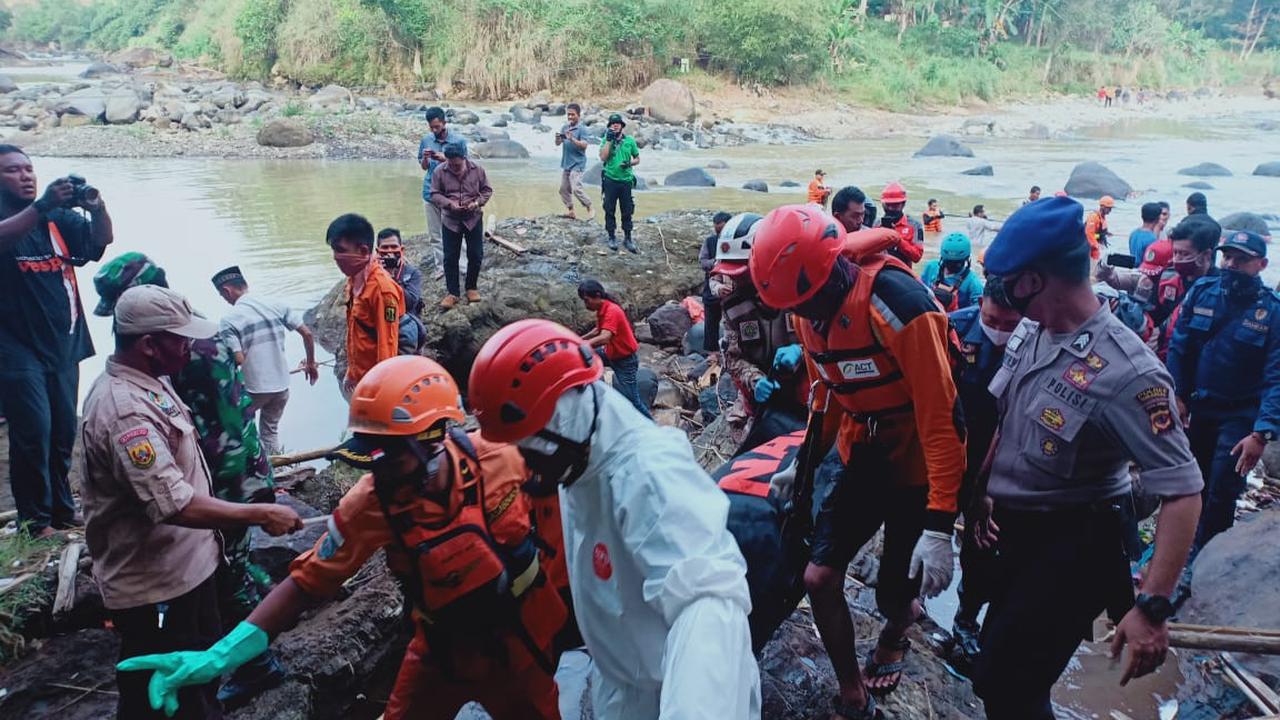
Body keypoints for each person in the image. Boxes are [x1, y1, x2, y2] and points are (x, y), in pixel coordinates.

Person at [117, 356, 568, 720]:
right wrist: (220, 656)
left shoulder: (504, 460)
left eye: (392, 458)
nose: (380, 471)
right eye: (372, 458)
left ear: (434, 440)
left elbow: (558, 529)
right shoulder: (372, 502)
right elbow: (305, 584)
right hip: (441, 652)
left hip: (520, 646)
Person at [970, 196, 1203, 720]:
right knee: (997, 674)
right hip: (1015, 531)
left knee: (1008, 686)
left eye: (1008, 280)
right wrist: (979, 492)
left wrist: (1152, 606)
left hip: (1075, 545)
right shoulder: (1031, 328)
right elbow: (1008, 418)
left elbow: (1184, 490)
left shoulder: (1128, 373)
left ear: (1033, 280)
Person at [467, 319, 761, 719]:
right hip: (623, 680)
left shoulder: (649, 475)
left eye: (529, 452)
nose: (525, 467)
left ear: (561, 420)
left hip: (677, 692)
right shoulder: (578, 459)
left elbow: (708, 603)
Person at [749, 204, 965, 719]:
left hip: (917, 461)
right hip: (861, 451)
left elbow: (942, 421)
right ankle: (852, 690)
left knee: (894, 595)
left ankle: (896, 630)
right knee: (818, 578)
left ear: (831, 272)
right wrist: (802, 465)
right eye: (795, 307)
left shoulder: (901, 307)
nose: (804, 315)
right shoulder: (806, 312)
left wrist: (940, 525)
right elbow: (826, 391)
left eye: (808, 302)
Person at [81, 285, 302, 720]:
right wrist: (259, 513)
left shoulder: (153, 384)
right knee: (165, 696)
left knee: (198, 681)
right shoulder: (125, 411)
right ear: (149, 345)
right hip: (157, 587)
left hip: (189, 572)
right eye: (180, 339)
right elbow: (174, 505)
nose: (189, 346)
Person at [0, 146, 113, 536]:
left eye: (29, 169)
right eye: (13, 171)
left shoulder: (57, 218)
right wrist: (41, 206)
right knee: (33, 431)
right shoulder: (25, 215)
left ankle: (62, 510)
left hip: (63, 341)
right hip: (14, 346)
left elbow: (100, 242)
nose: (26, 176)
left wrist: (97, 208)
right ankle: (35, 521)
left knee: (63, 432)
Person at [1167, 230, 1280, 604]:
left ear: (1261, 265)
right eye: (1227, 258)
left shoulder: (1272, 312)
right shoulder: (1203, 293)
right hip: (1198, 408)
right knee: (1189, 484)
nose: (1231, 265)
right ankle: (1180, 550)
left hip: (1239, 416)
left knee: (1222, 490)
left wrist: (1262, 433)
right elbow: (1180, 347)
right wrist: (1176, 395)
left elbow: (1276, 376)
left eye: (1240, 260)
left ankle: (1203, 564)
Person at [946, 285, 1021, 674]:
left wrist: (986, 489)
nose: (1001, 331)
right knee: (929, 528)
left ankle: (966, 618)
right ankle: (909, 602)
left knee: (982, 541)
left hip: (999, 461)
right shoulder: (953, 329)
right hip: (948, 448)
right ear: (979, 306)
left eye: (1011, 324)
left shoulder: (1035, 342)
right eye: (992, 321)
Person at [709, 212, 807, 451]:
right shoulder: (733, 306)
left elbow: (829, 343)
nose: (738, 281)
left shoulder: (801, 295)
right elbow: (733, 357)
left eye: (744, 273)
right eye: (733, 274)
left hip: (807, 393)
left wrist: (803, 350)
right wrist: (755, 380)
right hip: (762, 396)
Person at [212, 265, 318, 456]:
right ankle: (277, 466)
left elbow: (238, 359)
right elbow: (307, 334)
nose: (225, 299)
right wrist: (310, 363)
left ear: (227, 291)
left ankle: (253, 467)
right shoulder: (276, 304)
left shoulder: (229, 320)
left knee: (240, 430)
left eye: (222, 295)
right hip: (282, 387)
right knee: (270, 432)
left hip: (254, 390)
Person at [326, 213, 404, 396]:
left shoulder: (382, 290)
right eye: (334, 250)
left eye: (341, 250)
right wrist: (351, 371)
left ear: (362, 251)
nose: (336, 257)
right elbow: (355, 331)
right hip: (361, 377)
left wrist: (381, 390)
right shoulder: (354, 279)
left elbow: (388, 344)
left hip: (376, 383)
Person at [577, 279, 651, 420]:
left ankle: (652, 426)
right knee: (585, 357)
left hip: (625, 360)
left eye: (587, 300)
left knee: (633, 401)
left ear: (597, 296)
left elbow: (604, 337)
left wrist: (584, 345)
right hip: (610, 352)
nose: (586, 305)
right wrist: (578, 339)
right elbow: (597, 330)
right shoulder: (602, 309)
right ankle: (587, 389)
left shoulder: (612, 311)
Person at [431, 143, 492, 308]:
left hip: (473, 218)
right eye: (451, 164)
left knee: (476, 254)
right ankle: (453, 293)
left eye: (457, 165)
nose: (454, 168)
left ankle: (471, 287)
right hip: (450, 219)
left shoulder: (478, 170)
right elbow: (434, 193)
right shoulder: (439, 171)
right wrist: (449, 204)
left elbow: (487, 190)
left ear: (464, 158)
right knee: (450, 257)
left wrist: (477, 203)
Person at [418, 106, 467, 269]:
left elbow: (466, 166)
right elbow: (424, 166)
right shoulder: (426, 140)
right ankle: (441, 267)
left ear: (444, 123)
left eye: (437, 127)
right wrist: (426, 159)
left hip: (452, 194)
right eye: (431, 127)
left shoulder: (458, 140)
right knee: (435, 235)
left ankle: (462, 267)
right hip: (430, 192)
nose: (434, 130)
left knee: (457, 231)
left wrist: (445, 159)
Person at [598, 113, 640, 253]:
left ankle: (628, 238)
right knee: (609, 209)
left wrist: (629, 163)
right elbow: (603, 157)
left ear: (622, 126)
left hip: (626, 181)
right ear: (609, 126)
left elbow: (637, 158)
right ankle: (611, 237)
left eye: (617, 123)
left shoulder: (629, 141)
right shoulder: (606, 140)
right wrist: (609, 141)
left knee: (627, 210)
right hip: (610, 180)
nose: (615, 125)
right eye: (612, 123)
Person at [700, 211, 734, 361]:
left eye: (722, 230)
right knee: (711, 321)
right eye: (717, 231)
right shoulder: (710, 241)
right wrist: (716, 263)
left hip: (732, 286)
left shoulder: (737, 240)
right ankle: (712, 352)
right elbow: (703, 261)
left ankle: (733, 349)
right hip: (713, 284)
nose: (720, 234)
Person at [920, 232, 984, 311]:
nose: (951, 266)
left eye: (957, 263)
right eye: (949, 262)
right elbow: (920, 293)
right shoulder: (931, 268)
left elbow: (978, 311)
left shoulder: (973, 283)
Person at [556, 103, 593, 221]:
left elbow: (584, 145)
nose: (570, 117)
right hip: (566, 163)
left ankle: (589, 207)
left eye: (572, 114)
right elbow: (558, 143)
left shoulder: (582, 129)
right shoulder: (564, 128)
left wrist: (572, 139)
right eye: (568, 114)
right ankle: (571, 211)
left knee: (576, 188)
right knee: (563, 189)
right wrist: (558, 139)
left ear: (578, 115)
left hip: (578, 163)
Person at [376, 228, 424, 315]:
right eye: (385, 247)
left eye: (394, 247)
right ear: (377, 251)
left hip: (404, 317)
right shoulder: (371, 273)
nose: (390, 251)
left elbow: (410, 304)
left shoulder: (412, 273)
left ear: (401, 249)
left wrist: (391, 277)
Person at [879, 181, 924, 265]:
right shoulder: (876, 224)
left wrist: (898, 240)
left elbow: (917, 256)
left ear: (903, 204)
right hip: (879, 269)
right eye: (888, 205)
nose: (890, 208)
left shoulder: (914, 225)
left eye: (895, 205)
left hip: (902, 270)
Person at [1084, 195, 1115, 261]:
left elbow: (1098, 233)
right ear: (1102, 207)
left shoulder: (1102, 217)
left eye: (1111, 208)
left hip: (1098, 244)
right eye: (1109, 208)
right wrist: (1096, 246)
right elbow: (1089, 234)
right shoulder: (1093, 217)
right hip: (1091, 247)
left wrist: (1106, 233)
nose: (1110, 210)